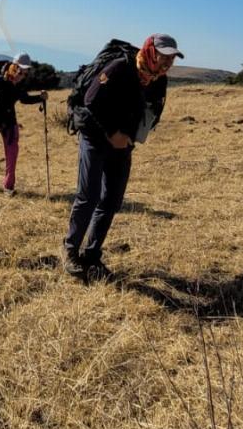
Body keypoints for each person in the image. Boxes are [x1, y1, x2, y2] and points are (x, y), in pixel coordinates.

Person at [62, 33, 182, 281]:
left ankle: (92, 256)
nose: (167, 62)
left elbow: (152, 110)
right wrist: (112, 133)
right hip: (95, 135)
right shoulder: (120, 66)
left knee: (112, 200)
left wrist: (131, 134)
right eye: (163, 56)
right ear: (150, 50)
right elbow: (90, 99)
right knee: (89, 195)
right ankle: (70, 250)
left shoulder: (158, 80)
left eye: (172, 58)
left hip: (122, 143)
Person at [0, 52, 46, 194]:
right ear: (14, 66)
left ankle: (8, 187)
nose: (21, 75)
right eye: (20, 71)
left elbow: (24, 98)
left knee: (12, 154)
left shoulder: (19, 82)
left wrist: (40, 98)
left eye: (24, 72)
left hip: (9, 122)